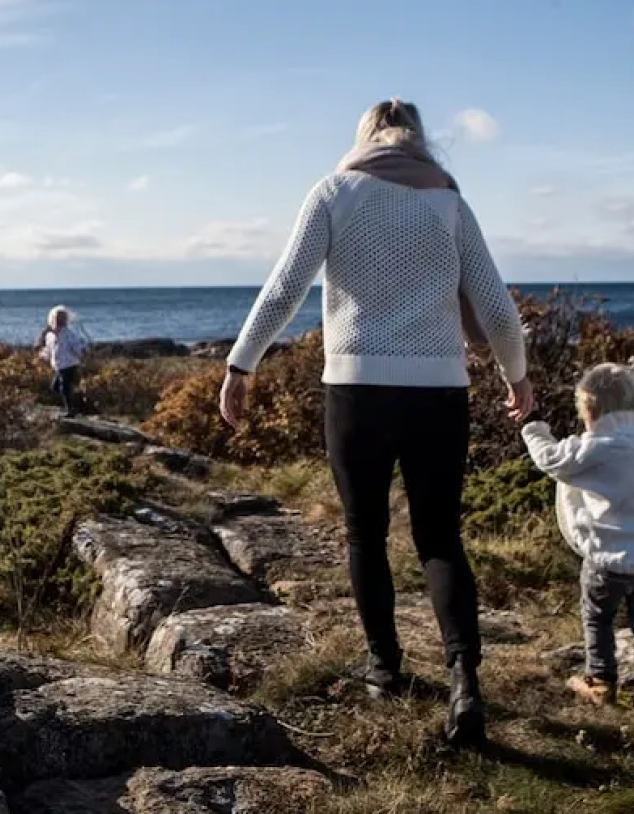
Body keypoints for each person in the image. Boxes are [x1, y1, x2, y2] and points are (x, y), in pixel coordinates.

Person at [218, 99, 531, 748]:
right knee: (440, 538)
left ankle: (384, 667)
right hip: (439, 393)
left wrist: (241, 364)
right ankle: (464, 681)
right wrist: (516, 376)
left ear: (362, 138)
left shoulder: (334, 193)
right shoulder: (448, 201)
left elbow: (284, 288)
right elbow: (497, 311)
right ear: (420, 141)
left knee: (366, 534)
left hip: (355, 389)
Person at [520, 363, 634, 742]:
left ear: (589, 409)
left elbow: (549, 458)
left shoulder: (593, 447)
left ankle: (601, 682)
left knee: (598, 620)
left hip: (605, 563)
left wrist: (533, 424)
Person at [39, 305, 90, 415]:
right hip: (59, 366)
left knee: (64, 387)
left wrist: (82, 351)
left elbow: (76, 346)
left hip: (70, 365)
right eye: (57, 318)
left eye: (62, 318)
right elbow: (48, 349)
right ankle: (75, 402)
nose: (59, 321)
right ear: (52, 319)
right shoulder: (50, 336)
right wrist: (43, 356)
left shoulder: (69, 334)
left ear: (66, 320)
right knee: (55, 387)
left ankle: (70, 410)